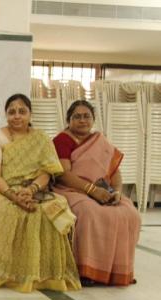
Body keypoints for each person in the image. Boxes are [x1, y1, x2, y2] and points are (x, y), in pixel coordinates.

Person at [0, 93, 80, 292]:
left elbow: (47, 171)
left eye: (22, 111)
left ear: (30, 114)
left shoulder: (41, 138)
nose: (17, 116)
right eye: (12, 112)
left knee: (50, 211)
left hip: (35, 189)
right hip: (5, 189)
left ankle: (46, 275)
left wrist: (30, 190)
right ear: (6, 115)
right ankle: (10, 275)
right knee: (8, 212)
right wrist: (13, 195)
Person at [53, 100, 140, 286]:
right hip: (72, 189)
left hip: (102, 190)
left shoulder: (100, 141)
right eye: (77, 116)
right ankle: (87, 271)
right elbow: (63, 174)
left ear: (93, 120)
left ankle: (117, 271)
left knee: (129, 213)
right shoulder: (62, 140)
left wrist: (116, 192)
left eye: (87, 116)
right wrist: (92, 191)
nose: (82, 120)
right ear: (69, 120)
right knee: (90, 213)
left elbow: (115, 172)